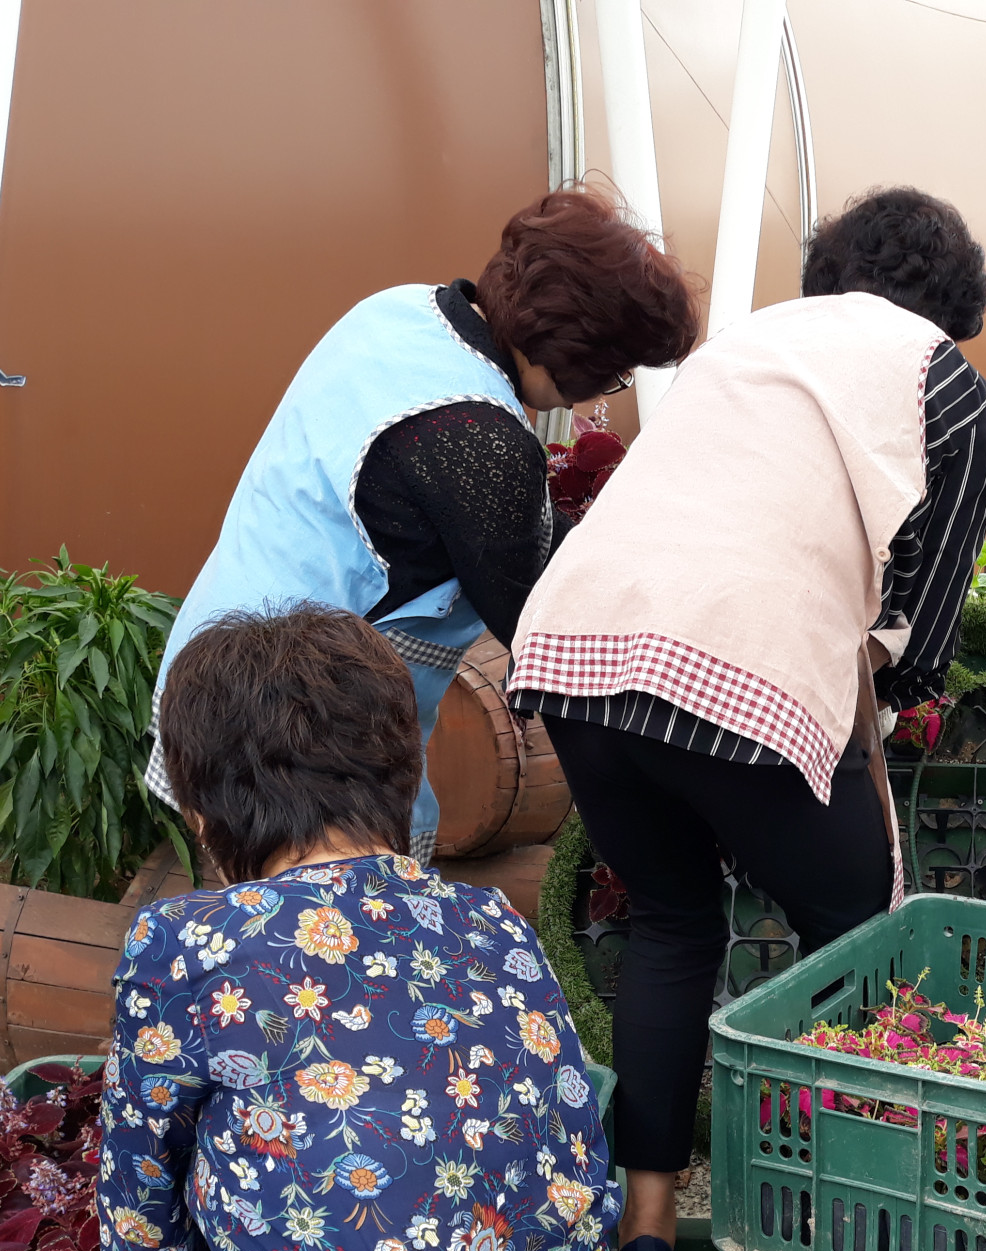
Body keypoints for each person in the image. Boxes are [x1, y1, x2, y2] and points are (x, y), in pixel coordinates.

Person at [507, 187, 986, 1251]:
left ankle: (644, 1234)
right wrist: (873, 708)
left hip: (575, 647)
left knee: (673, 923)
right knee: (863, 941)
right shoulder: (946, 381)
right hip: (738, 662)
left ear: (829, 269)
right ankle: (866, 1240)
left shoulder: (744, 347)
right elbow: (920, 639)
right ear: (953, 308)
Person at [94, 605, 618, 1251]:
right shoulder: (495, 924)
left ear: (201, 811)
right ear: (405, 768)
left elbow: (139, 1229)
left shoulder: (192, 947)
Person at [145, 189, 701, 861]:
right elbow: (548, 632)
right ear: (570, 340)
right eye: (610, 372)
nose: (593, 396)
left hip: (212, 671)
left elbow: (515, 532)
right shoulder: (475, 440)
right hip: (295, 736)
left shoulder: (399, 312)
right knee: (333, 944)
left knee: (254, 934)